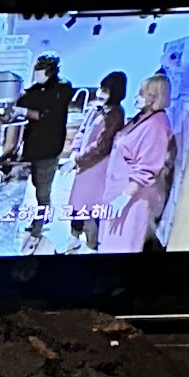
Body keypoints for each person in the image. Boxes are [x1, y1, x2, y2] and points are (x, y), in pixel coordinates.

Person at [96, 71, 177, 255]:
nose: (136, 97)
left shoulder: (157, 125)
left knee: (120, 247)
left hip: (132, 199)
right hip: (116, 190)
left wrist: (124, 197)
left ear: (153, 97)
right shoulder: (143, 116)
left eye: (141, 93)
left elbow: (147, 168)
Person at [67, 71, 128, 249]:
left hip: (97, 166)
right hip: (84, 162)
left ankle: (92, 244)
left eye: (106, 90)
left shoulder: (115, 115)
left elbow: (102, 146)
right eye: (101, 88)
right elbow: (83, 130)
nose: (101, 93)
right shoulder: (96, 108)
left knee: (90, 205)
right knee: (76, 203)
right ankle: (74, 237)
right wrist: (74, 152)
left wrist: (78, 160)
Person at [15, 54, 73, 242]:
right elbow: (25, 99)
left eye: (41, 69)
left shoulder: (61, 88)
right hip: (34, 145)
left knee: (43, 189)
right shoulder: (37, 88)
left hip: (49, 146)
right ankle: (43, 217)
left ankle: (38, 229)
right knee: (37, 183)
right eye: (37, 68)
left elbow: (47, 116)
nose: (37, 73)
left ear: (51, 71)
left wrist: (24, 111)